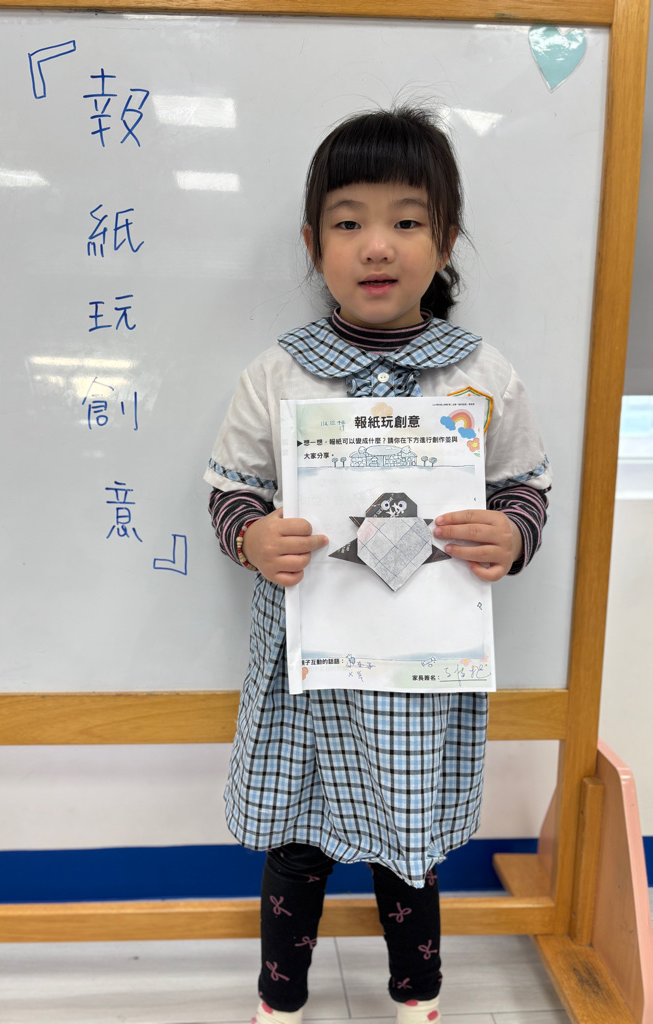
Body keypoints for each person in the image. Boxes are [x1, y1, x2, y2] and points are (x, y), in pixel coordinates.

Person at [204, 107, 550, 1024]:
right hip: (307, 663)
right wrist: (251, 536)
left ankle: (417, 996)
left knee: (409, 843)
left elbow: (526, 486)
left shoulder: (481, 375)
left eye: (407, 220)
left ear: (446, 240)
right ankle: (280, 999)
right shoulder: (279, 374)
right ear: (312, 244)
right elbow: (230, 490)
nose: (377, 245)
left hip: (421, 666)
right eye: (349, 221)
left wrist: (512, 534)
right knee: (297, 840)